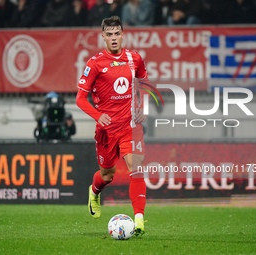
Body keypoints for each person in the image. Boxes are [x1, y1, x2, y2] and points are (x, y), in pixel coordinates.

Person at [76, 16, 147, 236]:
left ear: (123, 34)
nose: (114, 38)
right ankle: (94, 191)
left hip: (129, 127)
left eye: (117, 34)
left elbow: (142, 81)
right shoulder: (95, 63)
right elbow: (80, 99)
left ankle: (139, 220)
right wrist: (98, 116)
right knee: (107, 176)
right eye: (110, 34)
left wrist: (140, 105)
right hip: (106, 131)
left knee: (136, 170)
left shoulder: (134, 58)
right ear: (103, 37)